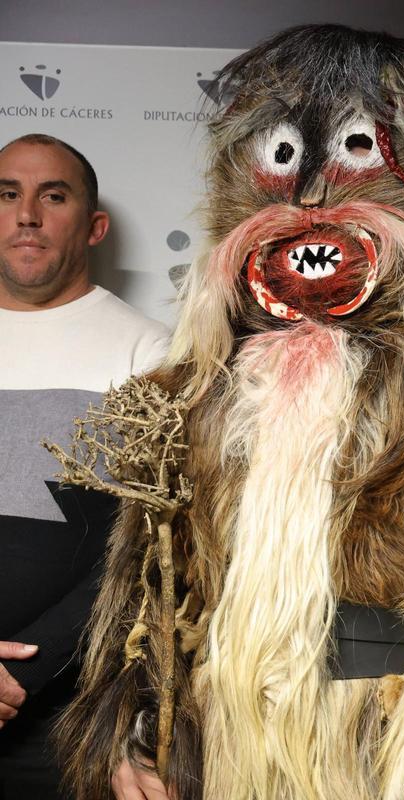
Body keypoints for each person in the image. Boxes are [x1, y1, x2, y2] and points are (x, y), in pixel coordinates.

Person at [53, 25, 404, 800]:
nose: (311, 197)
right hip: (226, 751)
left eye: (356, 150)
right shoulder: (196, 387)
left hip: (386, 748)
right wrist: (134, 733)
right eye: (285, 158)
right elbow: (153, 585)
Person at [0, 133, 170, 799]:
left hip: (69, 717)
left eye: (53, 196)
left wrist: (23, 672)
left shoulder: (153, 354)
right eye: (7, 194)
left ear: (94, 226)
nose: (26, 215)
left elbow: (153, 548)